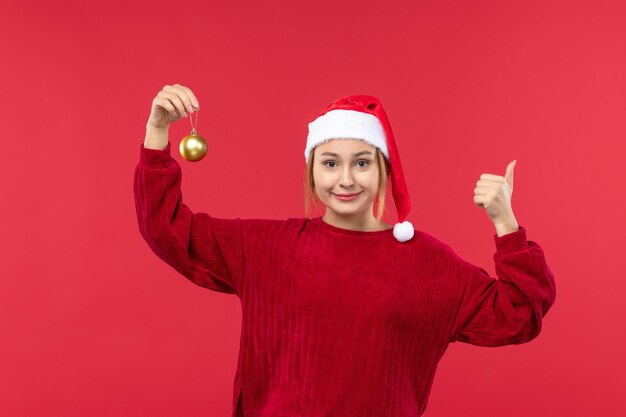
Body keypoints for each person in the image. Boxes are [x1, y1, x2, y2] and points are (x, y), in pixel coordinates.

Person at [134, 84, 557, 417]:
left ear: (383, 170)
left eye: (362, 162)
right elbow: (168, 230)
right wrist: (157, 133)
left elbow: (518, 314)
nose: (346, 179)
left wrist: (506, 222)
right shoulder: (266, 248)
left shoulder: (427, 263)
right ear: (312, 170)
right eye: (331, 163)